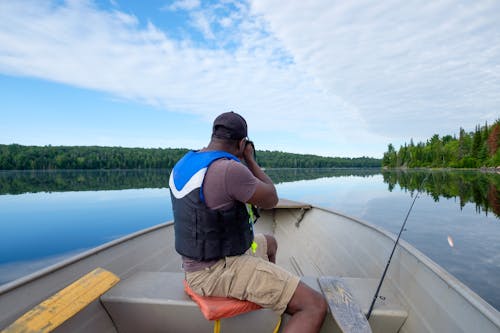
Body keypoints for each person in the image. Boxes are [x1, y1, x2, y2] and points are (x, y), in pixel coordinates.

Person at [169, 111, 327, 332]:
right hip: (216, 273)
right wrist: (250, 160)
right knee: (314, 305)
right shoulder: (229, 169)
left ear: (214, 135)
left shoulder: (184, 163)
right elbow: (271, 198)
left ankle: (274, 291)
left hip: (196, 268)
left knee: (270, 242)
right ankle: (280, 293)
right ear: (242, 143)